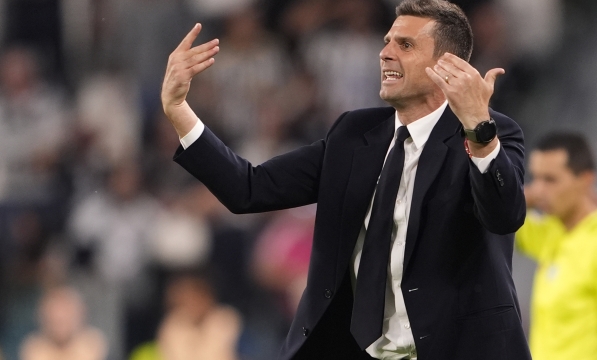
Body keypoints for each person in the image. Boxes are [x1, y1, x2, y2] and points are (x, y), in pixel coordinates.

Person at [161, 0, 531, 359]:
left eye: (405, 45)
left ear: (447, 66)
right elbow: (249, 188)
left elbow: (504, 216)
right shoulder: (354, 135)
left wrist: (478, 130)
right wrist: (179, 111)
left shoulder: (489, 134)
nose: (385, 53)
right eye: (386, 41)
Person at [517, 132, 597, 360]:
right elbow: (501, 214)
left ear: (585, 180)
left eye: (551, 180)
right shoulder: (552, 231)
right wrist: (529, 196)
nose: (540, 189)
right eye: (536, 178)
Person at [19, 286, 108, 360]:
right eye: (55, 318)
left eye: (65, 315)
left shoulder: (93, 343)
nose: (60, 321)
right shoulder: (34, 347)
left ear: (79, 315)